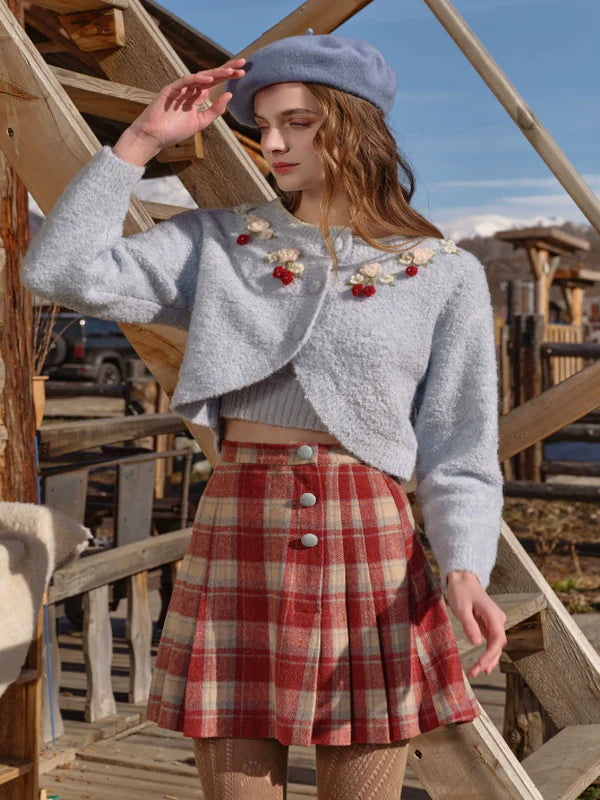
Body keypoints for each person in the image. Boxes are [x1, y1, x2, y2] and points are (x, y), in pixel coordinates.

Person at [21, 32, 507, 800]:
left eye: (299, 122)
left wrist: (466, 567)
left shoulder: (444, 276)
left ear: (356, 125)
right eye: (265, 125)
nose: (272, 143)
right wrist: (140, 141)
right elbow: (58, 269)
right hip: (240, 519)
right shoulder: (220, 243)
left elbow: (460, 447)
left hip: (369, 536)